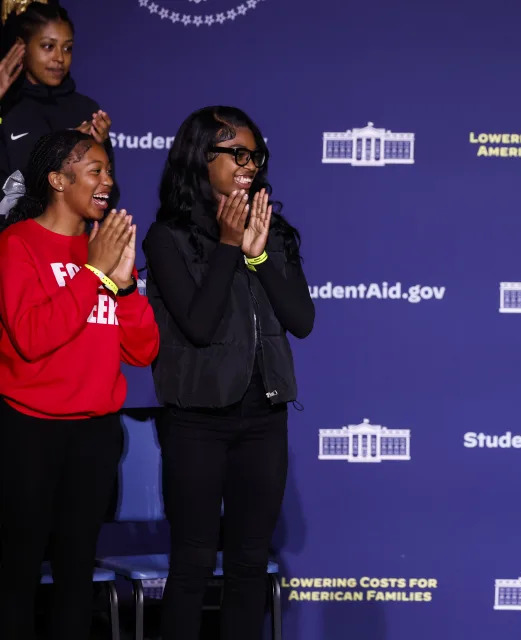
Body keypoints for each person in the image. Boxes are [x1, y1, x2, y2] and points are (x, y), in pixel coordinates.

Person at [143, 105, 314, 639]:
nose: (249, 163)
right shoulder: (166, 237)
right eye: (236, 152)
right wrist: (226, 245)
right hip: (197, 421)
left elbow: (301, 320)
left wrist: (258, 257)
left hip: (263, 418)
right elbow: (198, 324)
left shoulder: (275, 232)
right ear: (201, 156)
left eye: (254, 154)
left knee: (247, 564)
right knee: (193, 563)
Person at [0, 129, 159, 639]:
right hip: (29, 433)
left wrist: (127, 283)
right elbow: (30, 337)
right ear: (56, 180)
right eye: (95, 170)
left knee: (76, 577)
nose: (107, 181)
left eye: (109, 171)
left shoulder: (105, 248)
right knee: (18, 573)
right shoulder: (17, 244)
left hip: (94, 435)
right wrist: (92, 272)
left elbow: (142, 350)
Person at [0, 3, 116, 205]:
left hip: (74, 235)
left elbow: (106, 198)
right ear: (21, 47)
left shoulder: (86, 109)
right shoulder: (7, 106)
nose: (60, 58)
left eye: (67, 48)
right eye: (48, 46)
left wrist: (102, 146)